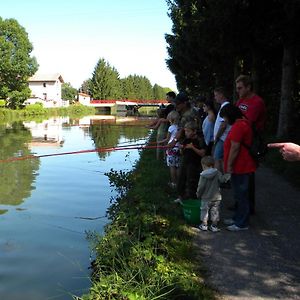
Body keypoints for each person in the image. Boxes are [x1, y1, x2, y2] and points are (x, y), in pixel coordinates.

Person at [220, 104, 257, 231]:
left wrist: (229, 165)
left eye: (225, 117)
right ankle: (237, 218)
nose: (225, 120)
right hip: (241, 165)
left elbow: (235, 147)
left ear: (230, 115)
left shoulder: (239, 126)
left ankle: (242, 223)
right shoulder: (242, 123)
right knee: (238, 194)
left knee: (241, 195)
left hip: (241, 166)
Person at [235, 75, 266, 215]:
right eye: (237, 88)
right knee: (238, 172)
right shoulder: (241, 100)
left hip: (250, 142)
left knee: (247, 174)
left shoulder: (257, 101)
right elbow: (235, 116)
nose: (238, 91)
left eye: (240, 88)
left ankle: (248, 208)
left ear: (248, 87)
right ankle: (239, 203)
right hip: (239, 140)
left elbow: (247, 121)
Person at [174, 121, 206, 203]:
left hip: (194, 164)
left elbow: (202, 153)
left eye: (188, 131)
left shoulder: (200, 139)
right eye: (185, 131)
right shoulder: (186, 140)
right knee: (181, 181)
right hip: (185, 162)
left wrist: (192, 148)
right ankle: (181, 197)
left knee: (191, 182)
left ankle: (192, 199)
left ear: (194, 131)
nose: (186, 133)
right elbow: (182, 153)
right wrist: (181, 148)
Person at [197, 156, 231, 232]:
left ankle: (204, 225)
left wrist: (198, 194)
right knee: (215, 211)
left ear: (204, 165)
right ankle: (214, 226)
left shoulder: (203, 175)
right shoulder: (217, 172)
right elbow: (222, 180)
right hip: (216, 198)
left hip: (206, 197)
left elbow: (201, 187)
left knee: (204, 211)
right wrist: (228, 175)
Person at [157, 111, 180, 188]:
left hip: (171, 148)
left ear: (171, 119)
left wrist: (160, 142)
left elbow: (167, 139)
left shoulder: (171, 128)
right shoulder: (179, 127)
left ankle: (174, 183)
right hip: (177, 148)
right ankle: (178, 182)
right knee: (177, 166)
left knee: (171, 167)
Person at [213, 87, 231, 173]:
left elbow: (223, 125)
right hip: (222, 138)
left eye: (216, 95)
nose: (215, 97)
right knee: (221, 159)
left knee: (217, 158)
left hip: (222, 138)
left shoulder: (226, 107)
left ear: (221, 95)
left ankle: (222, 180)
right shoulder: (224, 106)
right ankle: (224, 179)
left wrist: (217, 137)